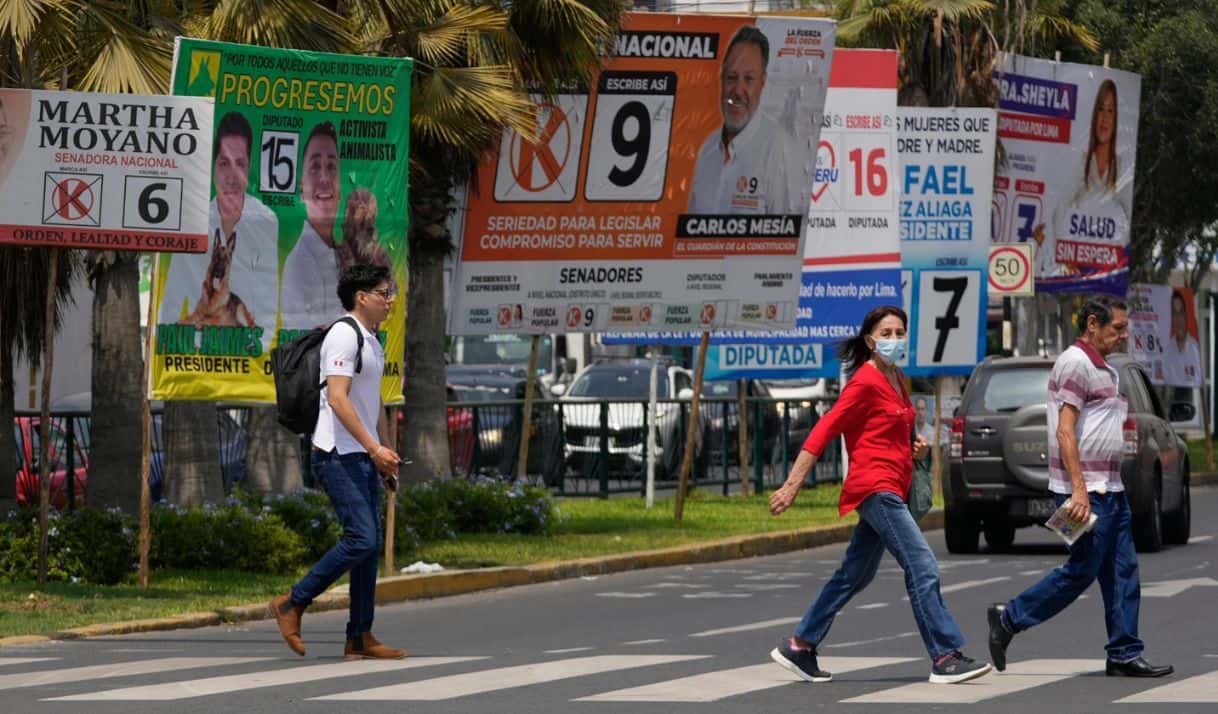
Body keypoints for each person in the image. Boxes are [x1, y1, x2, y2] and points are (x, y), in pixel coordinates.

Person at [768, 305, 992, 685]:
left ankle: (800, 645)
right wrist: (792, 485)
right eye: (886, 333)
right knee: (923, 565)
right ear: (870, 341)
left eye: (900, 332)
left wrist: (917, 448)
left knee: (854, 574)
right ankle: (944, 656)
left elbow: (895, 431)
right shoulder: (864, 382)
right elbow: (825, 429)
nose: (894, 339)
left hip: (893, 486)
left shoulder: (897, 378)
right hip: (876, 488)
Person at [988, 297, 1173, 678]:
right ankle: (1009, 618)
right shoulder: (1075, 364)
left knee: (1123, 572)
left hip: (1111, 490)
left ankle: (1124, 652)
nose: (1124, 336)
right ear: (1092, 324)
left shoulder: (1106, 368)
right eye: (1117, 328)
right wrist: (1078, 491)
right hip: (1083, 492)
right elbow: (1064, 431)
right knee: (1081, 570)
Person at [270, 264, 406, 661]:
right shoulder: (344, 335)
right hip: (335, 454)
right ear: (361, 297)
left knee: (369, 547)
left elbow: (372, 402)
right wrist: (373, 449)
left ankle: (359, 635)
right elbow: (338, 399)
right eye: (383, 293)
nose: (389, 301)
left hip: (361, 454)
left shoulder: (371, 340)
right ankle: (293, 602)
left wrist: (384, 452)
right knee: (361, 538)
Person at [156, 111, 278, 350]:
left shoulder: (266, 221)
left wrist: (251, 353)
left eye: (240, 164)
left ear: (250, 167)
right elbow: (170, 306)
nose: (232, 177)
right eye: (224, 164)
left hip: (246, 356)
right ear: (212, 168)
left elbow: (268, 311)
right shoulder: (192, 221)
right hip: (196, 356)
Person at [686, 26, 806, 217]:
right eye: (731, 78)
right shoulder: (707, 150)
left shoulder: (777, 146)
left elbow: (784, 229)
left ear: (762, 82)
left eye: (749, 79)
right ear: (721, 80)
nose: (738, 90)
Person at [1032, 79, 1129, 279]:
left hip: (1106, 264)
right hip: (1078, 259)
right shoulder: (1082, 162)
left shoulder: (1122, 167)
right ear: (1094, 115)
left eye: (1110, 111)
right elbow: (1060, 207)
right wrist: (1065, 254)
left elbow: (1127, 217)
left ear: (1116, 118)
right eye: (1100, 109)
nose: (1105, 118)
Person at [281, 121, 345, 329]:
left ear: (340, 189)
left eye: (331, 167)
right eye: (315, 167)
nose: (325, 178)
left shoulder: (345, 256)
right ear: (302, 189)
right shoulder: (298, 264)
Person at [1162, 290, 1201, 388]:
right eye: (1175, 313)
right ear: (1171, 317)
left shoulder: (1196, 348)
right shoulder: (1166, 351)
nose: (1178, 319)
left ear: (1186, 315)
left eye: (1181, 313)